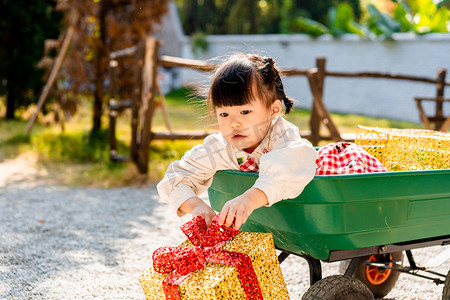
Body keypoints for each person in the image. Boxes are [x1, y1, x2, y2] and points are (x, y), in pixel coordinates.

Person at [157, 54, 317, 230]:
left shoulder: (282, 137)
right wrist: (196, 206)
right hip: (261, 225)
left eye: (245, 112)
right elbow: (175, 178)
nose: (234, 123)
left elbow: (292, 163)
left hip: (302, 221)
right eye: (224, 114)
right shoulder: (221, 147)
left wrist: (250, 199)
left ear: (274, 109)